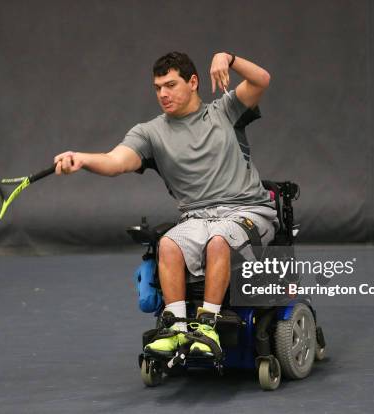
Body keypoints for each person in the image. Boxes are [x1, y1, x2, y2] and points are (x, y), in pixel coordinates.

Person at [54, 51, 276, 357]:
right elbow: (115, 161)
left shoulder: (225, 111)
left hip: (247, 212)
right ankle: (176, 327)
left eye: (170, 85)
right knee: (168, 244)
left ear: (194, 82)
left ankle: (208, 327)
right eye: (158, 87)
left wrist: (229, 58)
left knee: (218, 241)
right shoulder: (149, 133)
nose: (163, 93)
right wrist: (82, 159)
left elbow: (261, 79)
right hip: (197, 218)